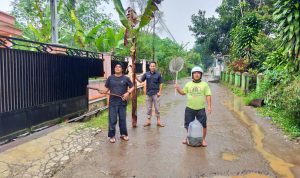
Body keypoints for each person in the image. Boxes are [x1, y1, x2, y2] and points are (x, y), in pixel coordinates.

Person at [174, 66, 212, 147]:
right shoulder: (188, 84)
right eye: (195, 73)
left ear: (201, 75)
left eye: (198, 73)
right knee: (187, 124)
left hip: (201, 109)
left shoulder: (204, 84)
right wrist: (178, 88)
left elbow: (208, 95)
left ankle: (203, 139)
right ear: (192, 74)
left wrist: (209, 106)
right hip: (189, 108)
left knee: (203, 125)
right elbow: (183, 92)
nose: (197, 74)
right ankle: (188, 137)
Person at [99, 62, 134, 143]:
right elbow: (106, 89)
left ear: (122, 69)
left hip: (122, 102)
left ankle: (123, 134)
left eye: (119, 67)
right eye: (116, 67)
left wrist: (128, 93)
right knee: (112, 120)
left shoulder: (126, 78)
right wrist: (103, 92)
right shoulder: (110, 78)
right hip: (113, 103)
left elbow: (132, 87)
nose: (117, 68)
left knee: (122, 119)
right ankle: (111, 136)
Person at [136, 61, 165, 127]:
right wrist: (135, 77)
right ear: (149, 67)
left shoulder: (158, 74)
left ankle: (158, 121)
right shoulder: (146, 74)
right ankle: (148, 121)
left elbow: (161, 83)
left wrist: (160, 92)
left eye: (153, 66)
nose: (152, 67)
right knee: (148, 108)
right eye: (151, 66)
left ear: (155, 67)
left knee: (157, 108)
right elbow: (141, 81)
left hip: (156, 94)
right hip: (148, 94)